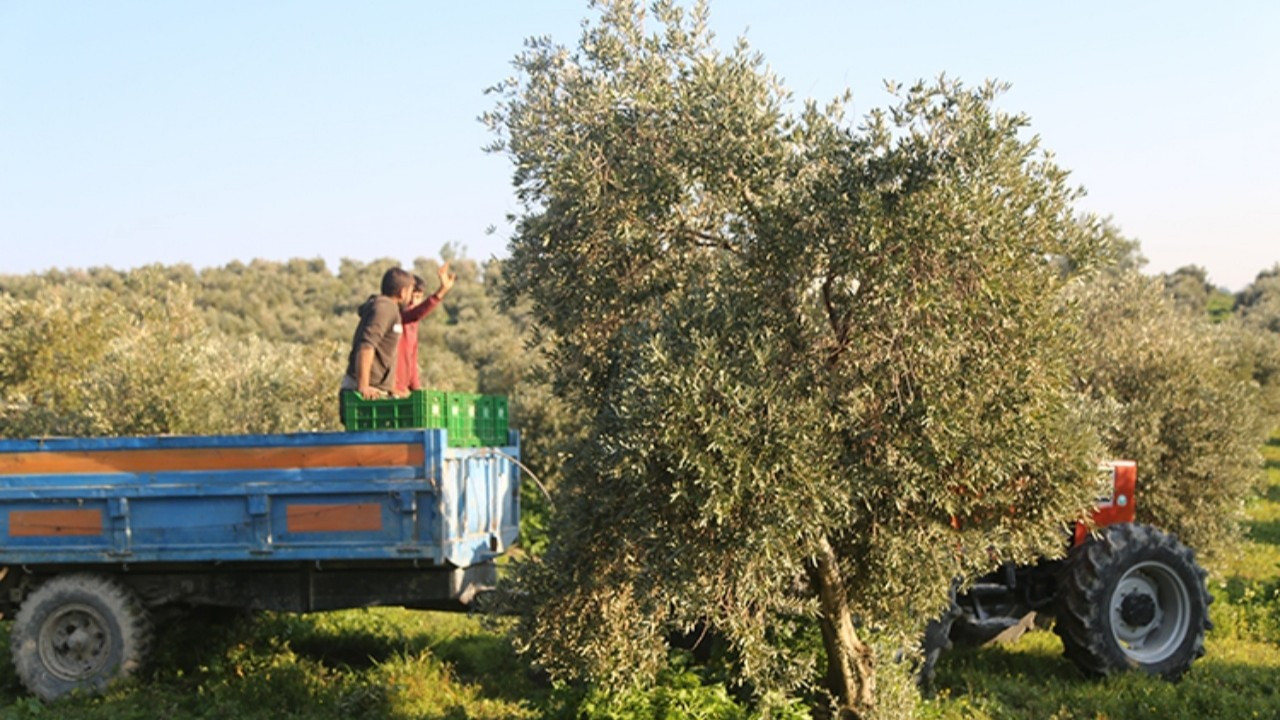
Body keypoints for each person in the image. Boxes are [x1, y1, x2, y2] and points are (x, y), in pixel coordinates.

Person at [341, 267, 416, 404]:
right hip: (365, 392)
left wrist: (390, 388)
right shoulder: (385, 308)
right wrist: (363, 386)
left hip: (376, 390)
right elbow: (367, 346)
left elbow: (383, 353)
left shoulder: (389, 309)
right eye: (411, 292)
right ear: (403, 292)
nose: (411, 298)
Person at [395, 262, 456, 395]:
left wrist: (416, 389)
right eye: (411, 296)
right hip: (392, 389)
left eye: (417, 297)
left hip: (403, 390)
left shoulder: (413, 324)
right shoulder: (397, 317)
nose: (413, 302)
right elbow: (416, 313)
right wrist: (441, 292)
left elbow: (412, 359)